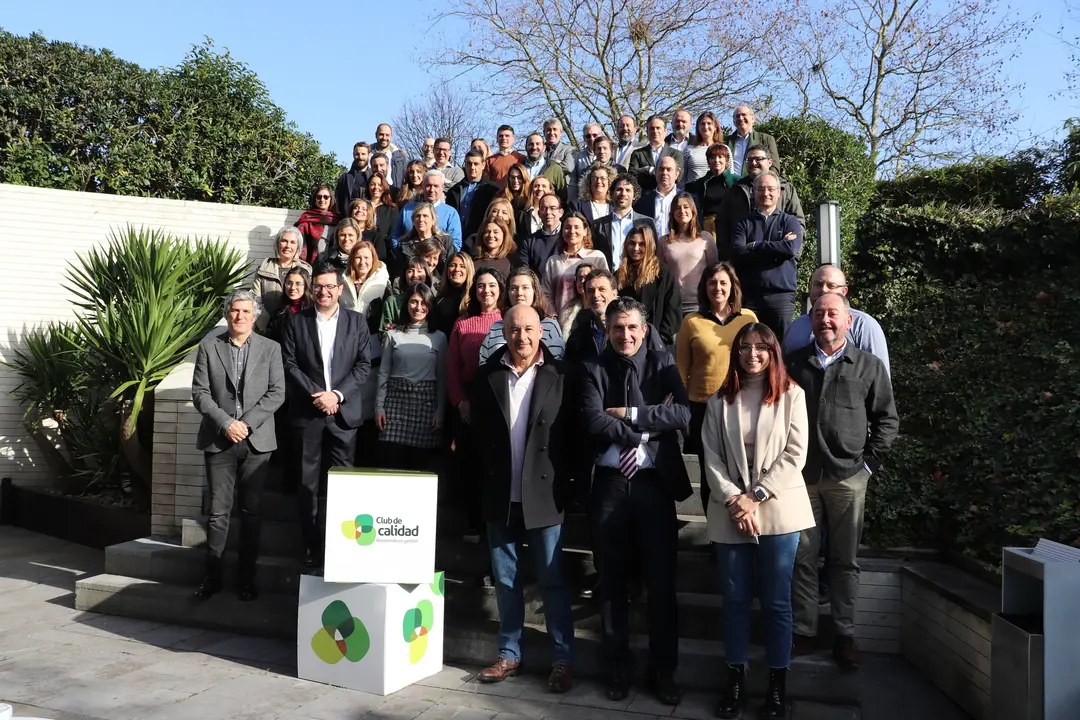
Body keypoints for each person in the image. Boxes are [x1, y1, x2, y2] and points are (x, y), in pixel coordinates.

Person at [581, 296, 691, 705]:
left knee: (661, 586)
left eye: (632, 328)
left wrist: (628, 415)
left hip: (653, 485)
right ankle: (617, 669)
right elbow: (592, 419)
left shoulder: (662, 365)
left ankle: (664, 673)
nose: (624, 336)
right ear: (606, 330)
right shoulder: (593, 368)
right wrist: (647, 428)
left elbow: (682, 416)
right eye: (616, 328)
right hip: (609, 484)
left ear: (644, 330)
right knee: (612, 585)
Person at [703, 322, 814, 720]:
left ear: (773, 352)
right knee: (734, 601)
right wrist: (736, 500)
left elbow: (795, 455)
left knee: (777, 604)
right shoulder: (720, 401)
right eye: (745, 347)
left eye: (761, 347)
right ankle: (735, 682)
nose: (753, 354)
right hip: (731, 511)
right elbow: (711, 457)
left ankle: (776, 687)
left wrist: (756, 496)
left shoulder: (792, 396)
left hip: (779, 512)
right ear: (736, 352)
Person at [785, 292, 899, 672]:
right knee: (802, 557)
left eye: (833, 314)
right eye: (818, 314)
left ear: (849, 321)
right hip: (802, 479)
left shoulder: (868, 366)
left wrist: (868, 466)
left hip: (849, 478)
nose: (826, 320)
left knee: (844, 560)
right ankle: (803, 630)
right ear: (811, 321)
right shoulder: (794, 364)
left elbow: (887, 420)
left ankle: (844, 634)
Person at [469, 304, 575, 692]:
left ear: (542, 332)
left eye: (530, 329)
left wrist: (573, 489)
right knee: (506, 578)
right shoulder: (486, 377)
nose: (523, 337)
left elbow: (574, 439)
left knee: (552, 580)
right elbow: (475, 441)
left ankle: (563, 659)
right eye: (515, 330)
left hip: (546, 494)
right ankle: (509, 653)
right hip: (501, 494)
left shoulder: (562, 375)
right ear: (504, 331)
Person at [191, 290, 285, 602]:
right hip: (219, 440)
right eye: (234, 310)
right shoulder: (209, 347)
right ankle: (212, 577)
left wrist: (245, 423)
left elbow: (276, 393)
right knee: (218, 514)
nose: (239, 316)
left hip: (257, 443)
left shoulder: (271, 349)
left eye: (246, 311)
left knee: (252, 512)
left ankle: (247, 578)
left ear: (255, 315)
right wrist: (226, 423)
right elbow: (200, 393)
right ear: (226, 313)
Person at [280, 265, 372, 567]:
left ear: (340, 289)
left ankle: (340, 546)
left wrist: (338, 395)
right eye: (318, 286)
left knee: (343, 486)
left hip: (344, 415)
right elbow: (290, 364)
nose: (324, 292)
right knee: (307, 485)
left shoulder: (357, 323)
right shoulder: (296, 322)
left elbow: (363, 365)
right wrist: (318, 395)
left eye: (330, 286)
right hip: (309, 414)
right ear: (311, 289)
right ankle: (310, 547)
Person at [677, 263, 759, 507]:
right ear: (704, 287)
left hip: (741, 404)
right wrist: (684, 412)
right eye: (712, 283)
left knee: (744, 467)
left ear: (733, 287)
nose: (718, 288)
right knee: (711, 473)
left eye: (723, 282)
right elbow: (681, 369)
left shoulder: (748, 318)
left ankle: (744, 522)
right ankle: (715, 535)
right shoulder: (692, 322)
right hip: (703, 408)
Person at [448, 267, 507, 541]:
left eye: (492, 285)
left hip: (502, 400)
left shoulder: (509, 320)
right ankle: (474, 524)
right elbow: (451, 368)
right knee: (471, 464)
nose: (487, 291)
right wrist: (460, 401)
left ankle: (493, 524)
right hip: (470, 399)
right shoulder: (462, 324)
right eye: (481, 286)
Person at [375, 283, 447, 470]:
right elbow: (383, 373)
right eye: (414, 302)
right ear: (406, 304)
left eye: (424, 302)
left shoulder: (439, 337)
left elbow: (441, 377)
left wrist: (440, 410)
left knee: (421, 466)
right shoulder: (392, 335)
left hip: (426, 405)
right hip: (395, 405)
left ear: (430, 306)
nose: (418, 307)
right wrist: (379, 407)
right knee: (392, 462)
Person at [731, 173, 803, 342]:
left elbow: (790, 249)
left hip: (781, 296)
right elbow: (738, 253)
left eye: (771, 189)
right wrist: (777, 249)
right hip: (750, 297)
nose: (766, 193)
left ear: (779, 192)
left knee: (782, 346)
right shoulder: (744, 223)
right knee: (749, 344)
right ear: (754, 193)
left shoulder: (790, 222)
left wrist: (756, 246)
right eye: (761, 189)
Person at [783, 265, 890, 374]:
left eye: (831, 286)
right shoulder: (795, 327)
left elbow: (879, 377)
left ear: (844, 291)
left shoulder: (863, 326)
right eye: (818, 284)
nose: (823, 290)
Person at [564, 269, 666, 362]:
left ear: (614, 292)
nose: (596, 295)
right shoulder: (578, 336)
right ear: (585, 295)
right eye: (590, 291)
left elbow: (660, 366)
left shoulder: (642, 330)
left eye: (602, 289)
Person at [717, 145, 805, 251]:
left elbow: (798, 222)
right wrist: (727, 257)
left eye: (759, 159)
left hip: (779, 258)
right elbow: (722, 224)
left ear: (770, 162)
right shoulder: (735, 190)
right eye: (750, 159)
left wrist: (794, 255)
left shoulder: (785, 188)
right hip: (742, 258)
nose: (753, 163)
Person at [479, 267, 565, 364]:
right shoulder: (496, 327)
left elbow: (556, 364)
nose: (519, 293)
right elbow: (484, 363)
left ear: (534, 291)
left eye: (525, 287)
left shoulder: (550, 326)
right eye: (514, 288)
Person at [615, 225, 680, 347]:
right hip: (627, 343)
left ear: (650, 246)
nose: (636, 248)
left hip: (657, 343)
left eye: (642, 244)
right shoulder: (619, 276)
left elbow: (673, 309)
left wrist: (659, 339)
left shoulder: (663, 273)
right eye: (632, 243)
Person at [659, 192, 719, 316]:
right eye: (677, 207)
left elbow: (714, 272)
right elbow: (659, 274)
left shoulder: (706, 238)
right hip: (673, 305)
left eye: (686, 207)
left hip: (700, 304)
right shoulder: (663, 242)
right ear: (672, 213)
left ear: (693, 210)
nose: (682, 210)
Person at [542, 212, 609, 317]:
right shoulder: (553, 261)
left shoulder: (597, 257)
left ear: (585, 231)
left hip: (593, 320)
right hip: (561, 323)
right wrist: (553, 317)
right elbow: (546, 294)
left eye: (577, 227)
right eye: (567, 227)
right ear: (562, 231)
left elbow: (608, 289)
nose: (572, 231)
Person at [252, 227, 313, 332]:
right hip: (268, 329)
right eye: (284, 241)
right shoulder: (264, 268)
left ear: (298, 246)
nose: (288, 246)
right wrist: (266, 327)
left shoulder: (306, 269)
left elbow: (309, 301)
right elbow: (256, 301)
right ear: (277, 244)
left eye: (293, 242)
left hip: (299, 329)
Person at [592, 173, 656, 270]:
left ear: (634, 195)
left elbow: (653, 253)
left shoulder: (647, 222)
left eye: (628, 190)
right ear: (612, 194)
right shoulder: (598, 224)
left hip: (638, 278)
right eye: (619, 189)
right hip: (607, 279)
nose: (623, 194)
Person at [391, 171, 463, 253]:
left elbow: (456, 244)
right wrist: (403, 254)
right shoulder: (407, 209)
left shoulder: (450, 213)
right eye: (428, 185)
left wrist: (435, 259)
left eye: (436, 186)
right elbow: (395, 236)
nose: (432, 190)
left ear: (442, 188)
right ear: (422, 187)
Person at [447, 149, 501, 243]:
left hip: (480, 239)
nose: (472, 167)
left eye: (476, 164)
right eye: (469, 163)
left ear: (483, 165)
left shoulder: (493, 190)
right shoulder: (454, 190)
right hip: (456, 239)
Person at [686, 144, 739, 237]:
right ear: (708, 161)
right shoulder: (701, 183)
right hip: (707, 227)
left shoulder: (736, 181)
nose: (716, 160)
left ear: (726, 160)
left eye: (720, 157)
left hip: (730, 226)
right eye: (712, 157)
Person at [392, 202, 454, 279]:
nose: (421, 219)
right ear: (413, 220)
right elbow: (399, 273)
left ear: (433, 220)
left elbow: (450, 267)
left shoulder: (445, 241)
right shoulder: (403, 244)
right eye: (418, 216)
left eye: (425, 216)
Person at [627, 115, 685, 193]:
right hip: (644, 198)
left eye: (658, 128)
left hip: (669, 197)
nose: (655, 131)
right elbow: (632, 177)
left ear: (665, 131)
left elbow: (678, 178)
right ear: (647, 131)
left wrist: (649, 170)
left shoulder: (676, 154)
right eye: (651, 128)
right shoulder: (637, 154)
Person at [381, 255, 438, 333]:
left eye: (419, 271)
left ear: (427, 275)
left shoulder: (433, 300)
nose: (415, 275)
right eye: (410, 271)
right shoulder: (392, 302)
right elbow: (383, 331)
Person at [633, 155, 682, 238]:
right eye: (661, 169)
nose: (664, 173)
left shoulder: (688, 200)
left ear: (677, 173)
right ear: (655, 172)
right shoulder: (643, 202)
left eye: (669, 169)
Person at [519, 193, 564, 278]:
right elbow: (525, 273)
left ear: (561, 212)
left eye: (552, 208)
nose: (548, 212)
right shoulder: (529, 241)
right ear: (539, 213)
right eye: (544, 208)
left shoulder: (570, 237)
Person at [265, 266, 313, 344]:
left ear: (306, 286)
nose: (293, 287)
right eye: (289, 283)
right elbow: (270, 342)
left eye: (298, 284)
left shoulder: (314, 311)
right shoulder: (279, 314)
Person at [727, 105, 780, 176]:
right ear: (734, 121)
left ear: (753, 118)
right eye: (737, 116)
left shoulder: (766, 139)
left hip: (756, 184)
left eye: (744, 115)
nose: (740, 118)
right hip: (731, 185)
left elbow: (774, 167)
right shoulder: (726, 141)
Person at [432, 251, 475, 337]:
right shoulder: (438, 300)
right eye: (453, 265)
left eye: (462, 266)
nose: (457, 269)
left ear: (469, 270)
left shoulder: (475, 299)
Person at [295, 184, 339, 265]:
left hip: (333, 268)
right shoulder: (306, 220)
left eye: (326, 197)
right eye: (319, 197)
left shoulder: (338, 221)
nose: (322, 199)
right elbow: (297, 246)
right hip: (310, 267)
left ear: (331, 199)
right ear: (315, 199)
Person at [522, 133, 568, 199]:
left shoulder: (555, 168)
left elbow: (563, 196)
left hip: (546, 208)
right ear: (525, 147)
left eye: (538, 144)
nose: (534, 147)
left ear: (544, 148)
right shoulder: (520, 169)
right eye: (531, 144)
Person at [366, 173, 399, 261]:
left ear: (384, 187)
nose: (376, 187)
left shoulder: (391, 209)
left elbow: (393, 233)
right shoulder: (361, 206)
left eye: (380, 184)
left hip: (384, 254)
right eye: (372, 184)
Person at [683, 111, 723, 183]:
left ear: (715, 127)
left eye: (709, 123)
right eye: (702, 124)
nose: (705, 127)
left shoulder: (723, 149)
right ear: (698, 127)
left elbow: (730, 175)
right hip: (693, 191)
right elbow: (683, 177)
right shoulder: (688, 150)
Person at [558, 262, 595, 339]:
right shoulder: (567, 309)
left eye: (586, 277)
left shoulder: (603, 306)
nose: (582, 281)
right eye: (580, 278)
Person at [335, 142, 372, 213]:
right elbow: (338, 202)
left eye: (363, 154)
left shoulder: (373, 178)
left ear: (369, 155)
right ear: (353, 155)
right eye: (357, 154)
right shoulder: (344, 178)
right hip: (348, 220)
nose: (360, 157)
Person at [569, 122, 603, 197]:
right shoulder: (577, 157)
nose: (592, 138)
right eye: (588, 136)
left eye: (595, 135)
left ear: (601, 135)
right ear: (584, 138)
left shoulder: (609, 154)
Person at [372, 123, 408, 188]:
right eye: (381, 134)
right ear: (376, 135)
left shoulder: (400, 158)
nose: (384, 138)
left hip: (394, 195)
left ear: (391, 137)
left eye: (387, 135)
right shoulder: (367, 156)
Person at [518, 175, 553, 240]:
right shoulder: (521, 213)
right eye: (536, 186)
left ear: (550, 190)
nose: (540, 189)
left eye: (544, 186)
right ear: (531, 190)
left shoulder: (555, 213)